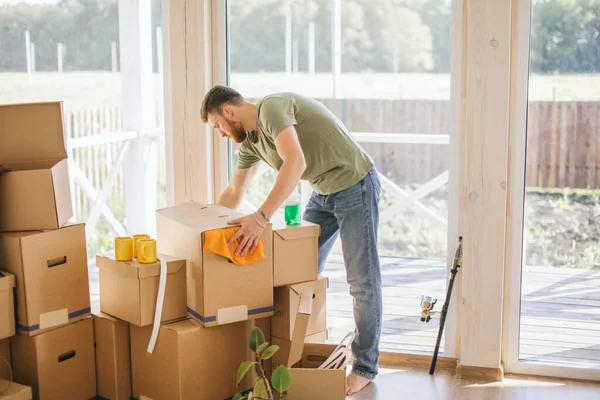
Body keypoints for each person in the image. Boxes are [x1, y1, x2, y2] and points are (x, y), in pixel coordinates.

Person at [201, 85, 382, 396]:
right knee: (298, 272)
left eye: (217, 125)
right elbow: (233, 193)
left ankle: (365, 367)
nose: (220, 133)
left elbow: (294, 162)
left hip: (355, 185)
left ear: (228, 113)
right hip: (323, 192)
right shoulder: (252, 144)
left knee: (362, 280)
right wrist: (203, 228)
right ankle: (303, 345)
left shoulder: (271, 109)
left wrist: (260, 218)